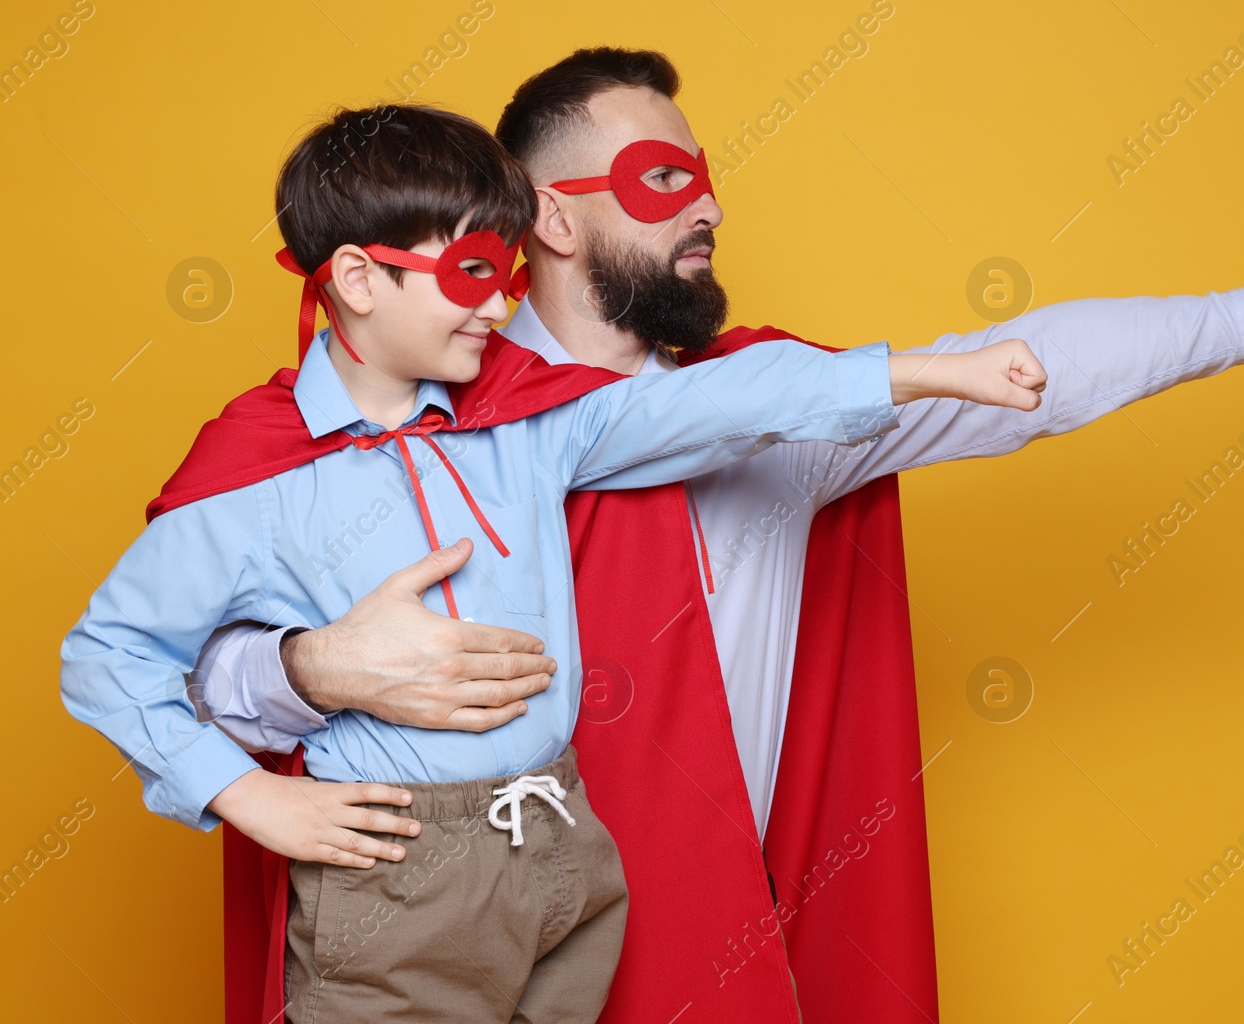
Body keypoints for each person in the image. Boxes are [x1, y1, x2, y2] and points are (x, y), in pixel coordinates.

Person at [196, 50, 1244, 1023]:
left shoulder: (789, 414)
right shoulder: (381, 422)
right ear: (551, 219)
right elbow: (184, 662)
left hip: (698, 956)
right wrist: (309, 668)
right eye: (663, 180)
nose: (706, 209)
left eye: (705, 178)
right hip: (450, 963)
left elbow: (1038, 369)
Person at [58, 102, 1048, 1023]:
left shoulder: (527, 423)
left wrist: (919, 372)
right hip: (401, 877)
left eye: (506, 268)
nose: (501, 304)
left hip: (560, 843)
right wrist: (244, 791)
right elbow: (108, 654)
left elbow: (712, 403)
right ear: (360, 279)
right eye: (471, 276)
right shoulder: (255, 471)